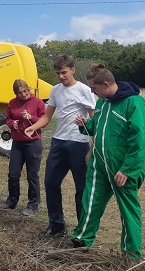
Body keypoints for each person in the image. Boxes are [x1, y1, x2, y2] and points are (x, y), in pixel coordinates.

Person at [71, 64, 145, 259]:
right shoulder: (102, 103)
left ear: (106, 84)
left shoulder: (134, 103)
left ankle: (130, 252)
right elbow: (97, 129)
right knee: (91, 200)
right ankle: (83, 237)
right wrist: (84, 126)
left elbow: (140, 139)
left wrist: (128, 169)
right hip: (99, 165)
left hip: (122, 169)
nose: (91, 92)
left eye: (94, 88)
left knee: (127, 209)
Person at [24, 55, 95, 238]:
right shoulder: (55, 90)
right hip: (58, 142)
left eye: (64, 72)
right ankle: (56, 225)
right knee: (51, 182)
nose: (61, 76)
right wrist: (33, 127)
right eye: (58, 73)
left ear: (72, 69)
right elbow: (47, 117)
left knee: (81, 188)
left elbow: (94, 119)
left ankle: (83, 230)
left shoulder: (84, 90)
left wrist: (92, 148)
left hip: (78, 144)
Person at [0, 79, 46, 216]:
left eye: (26, 91)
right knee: (13, 173)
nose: (24, 95)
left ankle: (33, 204)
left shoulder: (37, 102)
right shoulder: (12, 103)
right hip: (17, 142)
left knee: (32, 175)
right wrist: (11, 123)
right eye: (20, 93)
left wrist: (31, 117)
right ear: (16, 94)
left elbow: (45, 121)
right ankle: (11, 201)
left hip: (33, 142)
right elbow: (8, 118)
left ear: (28, 89)